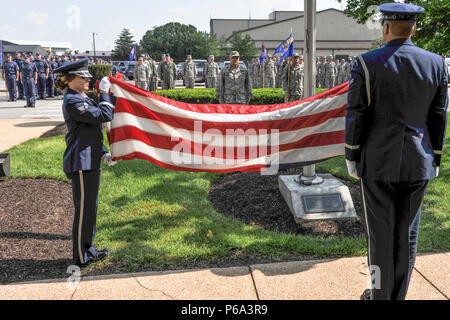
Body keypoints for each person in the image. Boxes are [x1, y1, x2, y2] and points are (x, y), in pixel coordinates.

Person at [345, 2, 448, 300]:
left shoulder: (366, 63)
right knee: (407, 235)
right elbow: (438, 116)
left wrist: (352, 155)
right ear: (414, 28)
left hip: (376, 163)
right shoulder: (436, 63)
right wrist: (436, 158)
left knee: (380, 238)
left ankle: (379, 295)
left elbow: (356, 114)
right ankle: (397, 295)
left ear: (386, 27)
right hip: (420, 162)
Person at [54, 59, 116, 267]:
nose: (88, 79)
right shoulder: (73, 101)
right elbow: (104, 115)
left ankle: (88, 249)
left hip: (89, 160)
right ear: (71, 80)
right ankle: (81, 256)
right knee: (84, 211)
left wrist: (104, 153)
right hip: (81, 163)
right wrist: (105, 94)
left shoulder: (80, 97)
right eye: (83, 77)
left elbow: (90, 132)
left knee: (90, 208)